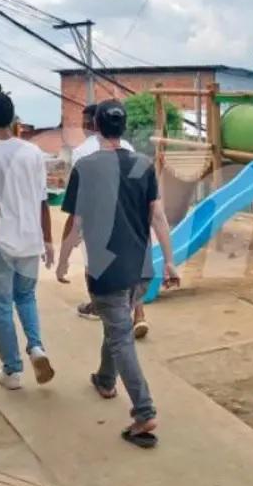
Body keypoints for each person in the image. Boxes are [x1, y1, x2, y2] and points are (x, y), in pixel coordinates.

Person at [56, 100, 180, 448]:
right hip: (141, 269)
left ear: (95, 125)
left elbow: (77, 223)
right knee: (118, 323)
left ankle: (144, 412)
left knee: (120, 335)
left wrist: (64, 261)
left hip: (105, 270)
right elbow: (157, 217)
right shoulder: (142, 165)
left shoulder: (87, 167)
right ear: (123, 127)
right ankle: (105, 379)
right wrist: (169, 262)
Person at [0, 91, 56, 390]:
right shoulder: (32, 153)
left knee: (1, 304)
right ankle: (36, 347)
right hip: (31, 240)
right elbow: (43, 201)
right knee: (26, 297)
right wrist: (48, 240)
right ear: (14, 118)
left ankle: (12, 371)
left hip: (1, 242)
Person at [69, 104, 148, 337]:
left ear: (93, 124)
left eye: (85, 123)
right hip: (130, 218)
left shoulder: (81, 152)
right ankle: (139, 315)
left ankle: (99, 308)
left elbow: (79, 196)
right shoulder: (128, 147)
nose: (84, 127)